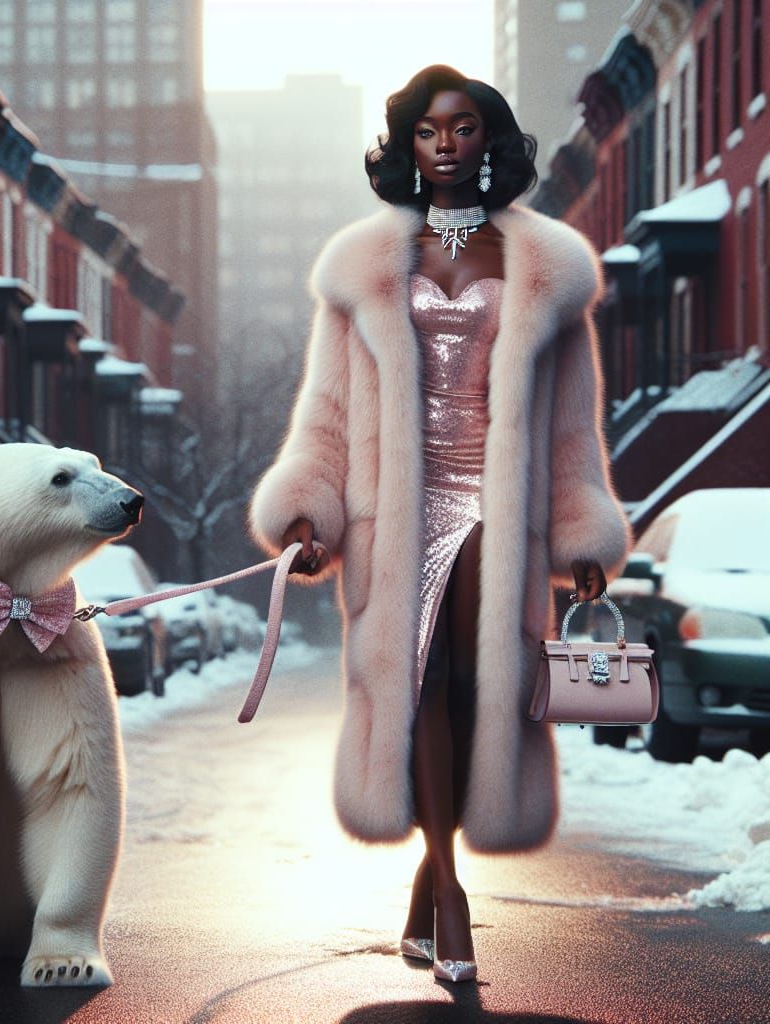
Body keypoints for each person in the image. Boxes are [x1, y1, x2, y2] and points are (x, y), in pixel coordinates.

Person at [248, 64, 631, 983]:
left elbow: (574, 425)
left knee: (477, 686)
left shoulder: (544, 271)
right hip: (397, 517)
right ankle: (452, 895)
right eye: (428, 130)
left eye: (463, 128)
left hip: (506, 515)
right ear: (408, 146)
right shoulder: (366, 271)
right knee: (416, 687)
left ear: (489, 141)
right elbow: (327, 415)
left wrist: (582, 535)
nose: (447, 143)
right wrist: (311, 512)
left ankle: (429, 875)